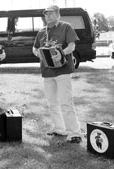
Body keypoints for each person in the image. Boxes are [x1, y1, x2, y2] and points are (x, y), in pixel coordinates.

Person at [33, 5, 82, 143]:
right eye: (46, 14)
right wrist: (38, 54)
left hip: (63, 71)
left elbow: (72, 46)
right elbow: (35, 47)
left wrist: (61, 53)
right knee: (52, 103)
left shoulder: (66, 27)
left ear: (58, 14)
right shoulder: (41, 31)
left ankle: (74, 133)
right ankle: (60, 129)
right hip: (47, 72)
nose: (47, 16)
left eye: (50, 14)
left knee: (66, 102)